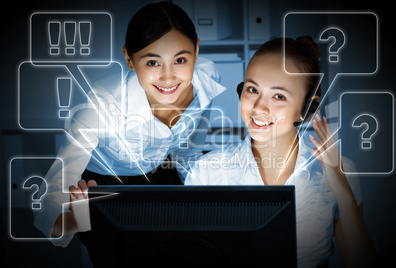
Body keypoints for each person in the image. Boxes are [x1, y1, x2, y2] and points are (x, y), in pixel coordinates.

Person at [34, 2, 226, 248]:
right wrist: (74, 221)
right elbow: (52, 192)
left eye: (179, 60)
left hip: (164, 169)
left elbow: (189, 146)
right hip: (107, 181)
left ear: (196, 51)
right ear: (129, 59)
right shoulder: (102, 105)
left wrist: (201, 191)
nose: (169, 77)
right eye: (153, 62)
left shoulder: (206, 80)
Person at [185, 37, 378, 267]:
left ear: (307, 108)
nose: (258, 107)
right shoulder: (206, 172)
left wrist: (342, 190)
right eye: (252, 89)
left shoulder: (341, 172)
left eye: (278, 96)